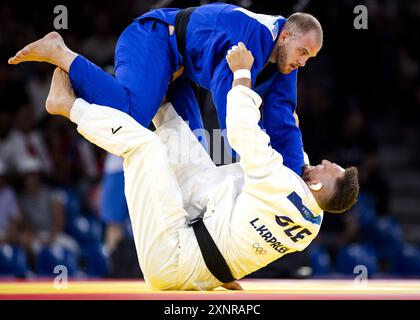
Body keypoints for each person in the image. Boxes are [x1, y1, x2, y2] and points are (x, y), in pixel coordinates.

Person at [42, 42, 358, 291]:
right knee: (177, 132)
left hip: (170, 256)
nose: (323, 162)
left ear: (316, 186)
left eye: (326, 167)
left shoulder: (281, 186)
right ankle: (164, 84)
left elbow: (241, 131)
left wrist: (242, 74)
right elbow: (293, 177)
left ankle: (69, 107)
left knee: (146, 147)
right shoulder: (312, 224)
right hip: (200, 239)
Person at [8, 3, 322, 176]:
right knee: (134, 112)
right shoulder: (249, 38)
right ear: (285, 37)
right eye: (303, 52)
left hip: (178, 68)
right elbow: (234, 113)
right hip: (154, 39)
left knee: (196, 160)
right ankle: (62, 53)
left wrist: (298, 172)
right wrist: (262, 170)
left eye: (309, 58)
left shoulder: (285, 62)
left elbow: (283, 120)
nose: (303, 63)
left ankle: (211, 264)